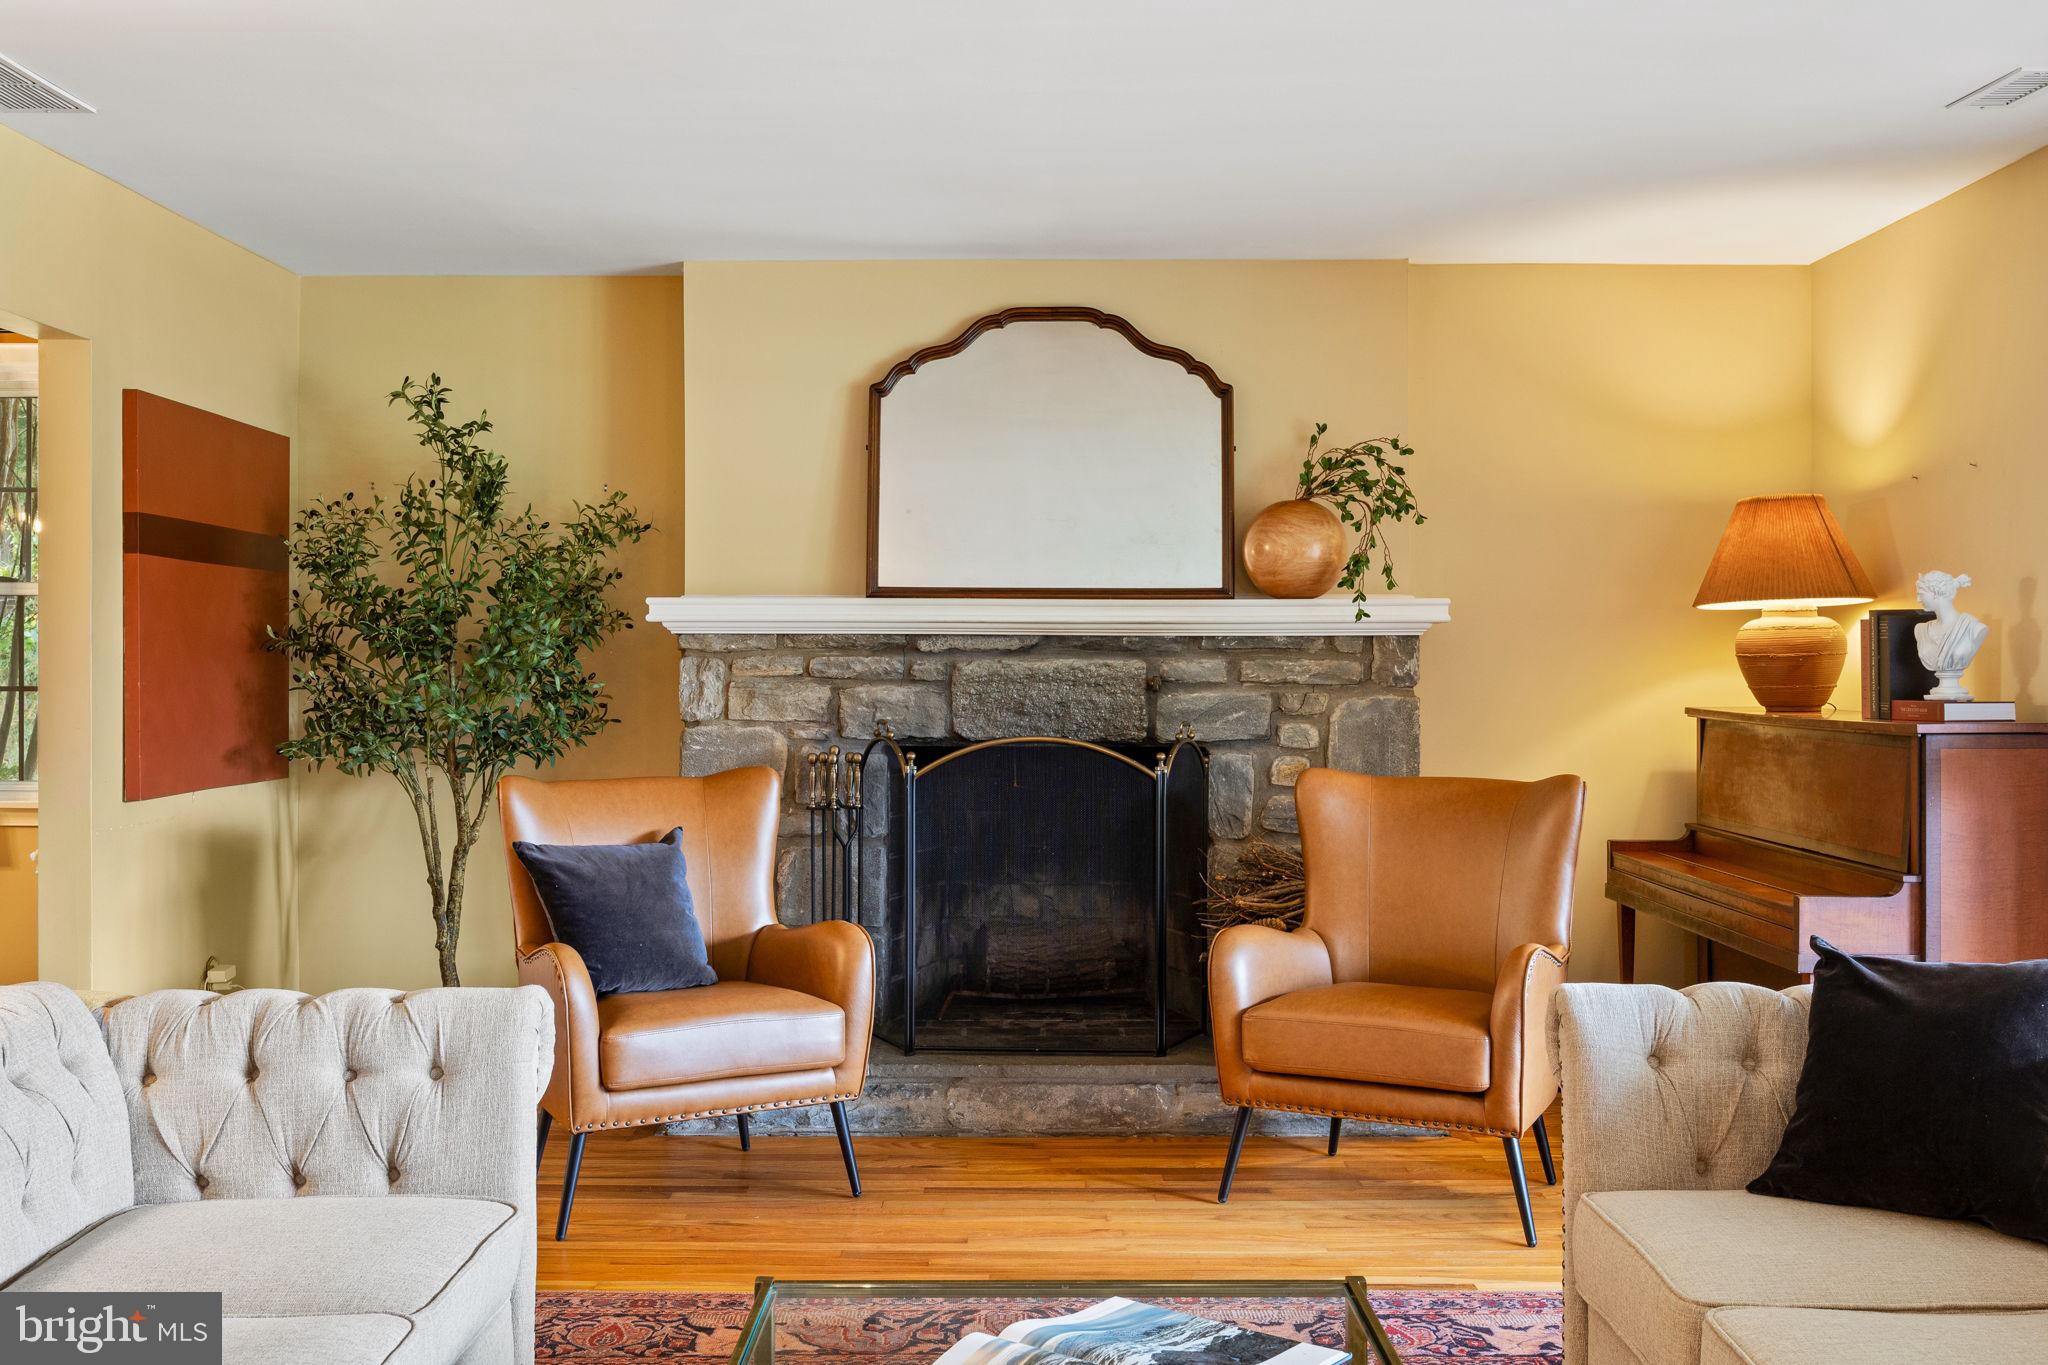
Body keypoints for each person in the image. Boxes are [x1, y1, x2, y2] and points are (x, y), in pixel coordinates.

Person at [1913, 570, 1988, 701]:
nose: (1918, 599)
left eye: (1921, 594)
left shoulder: (1973, 628)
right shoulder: (1921, 630)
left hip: (1955, 694)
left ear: (1936, 593)